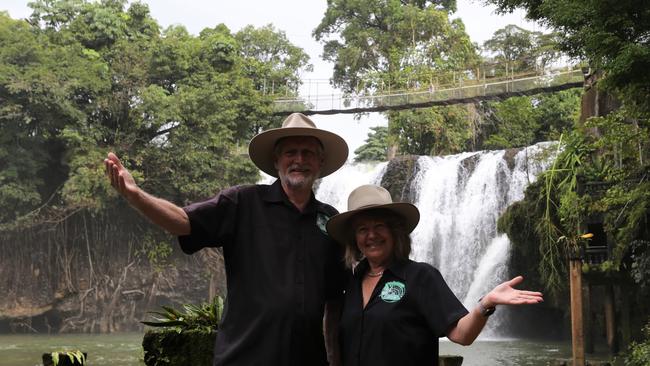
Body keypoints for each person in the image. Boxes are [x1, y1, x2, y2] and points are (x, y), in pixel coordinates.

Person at [104, 113, 349, 366]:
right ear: (277, 160)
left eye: (308, 153)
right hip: (244, 358)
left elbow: (335, 300)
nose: (299, 160)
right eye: (291, 152)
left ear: (320, 162)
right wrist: (134, 195)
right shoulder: (243, 203)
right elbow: (183, 222)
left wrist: (334, 359)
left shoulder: (330, 221)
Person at [326, 184, 544, 366]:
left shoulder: (420, 277)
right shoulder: (351, 282)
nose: (371, 235)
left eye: (379, 226)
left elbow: (462, 334)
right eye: (362, 229)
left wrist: (486, 303)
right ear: (354, 239)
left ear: (395, 232)